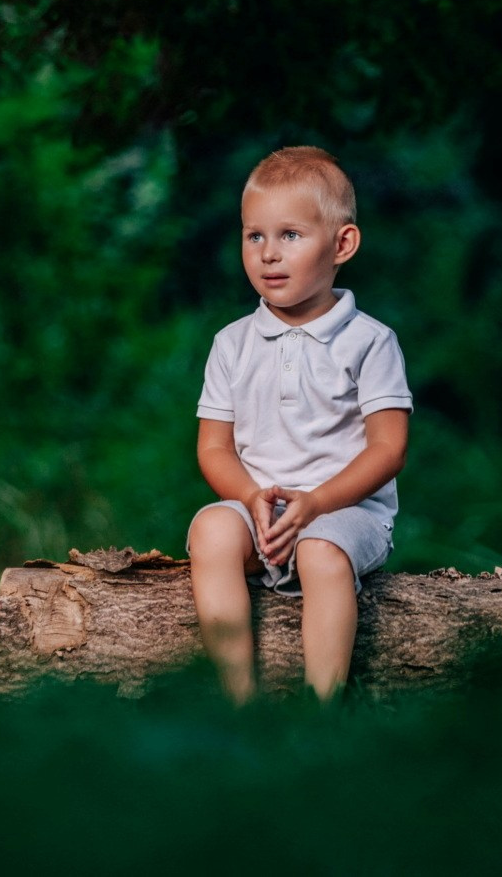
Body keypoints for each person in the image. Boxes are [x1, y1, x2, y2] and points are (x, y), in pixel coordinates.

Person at [186, 146, 412, 702]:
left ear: (342, 244)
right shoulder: (232, 343)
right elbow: (214, 448)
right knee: (210, 529)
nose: (267, 254)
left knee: (319, 552)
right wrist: (251, 495)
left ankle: (320, 712)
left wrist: (315, 504)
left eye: (290, 235)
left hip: (344, 511)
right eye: (253, 235)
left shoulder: (370, 342)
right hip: (258, 509)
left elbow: (388, 448)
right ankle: (239, 705)